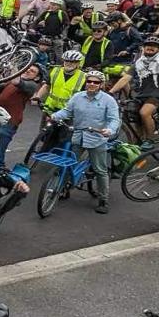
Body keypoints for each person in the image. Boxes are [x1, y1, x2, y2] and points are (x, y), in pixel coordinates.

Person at [49, 71, 121, 214]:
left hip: (97, 139)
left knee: (100, 170)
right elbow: (67, 111)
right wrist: (55, 116)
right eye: (89, 81)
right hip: (78, 136)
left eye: (96, 82)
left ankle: (103, 199)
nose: (92, 84)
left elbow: (114, 120)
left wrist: (109, 130)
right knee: (70, 164)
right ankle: (63, 189)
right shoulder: (77, 97)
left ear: (101, 85)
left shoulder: (108, 100)